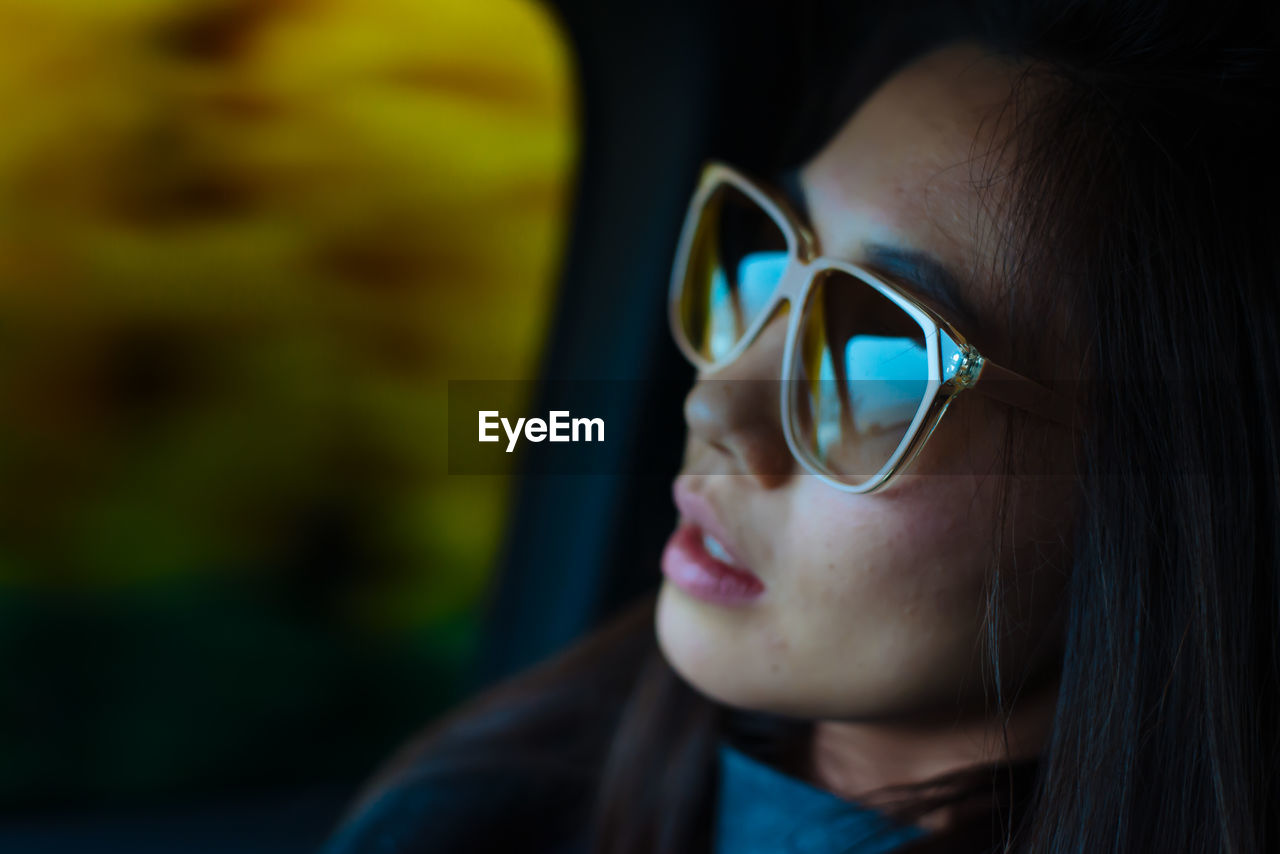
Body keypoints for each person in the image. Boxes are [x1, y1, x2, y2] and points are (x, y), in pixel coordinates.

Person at [322, 0, 1280, 851]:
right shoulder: (489, 800)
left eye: (884, 355)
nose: (714, 405)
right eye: (764, 262)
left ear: (1143, 510)